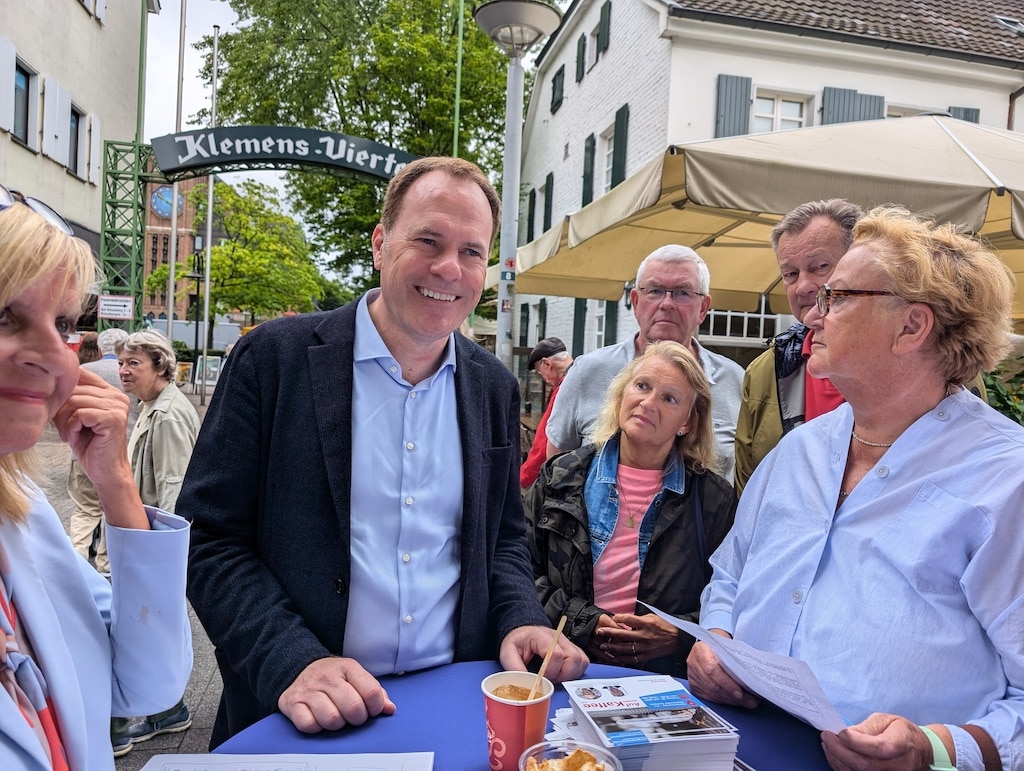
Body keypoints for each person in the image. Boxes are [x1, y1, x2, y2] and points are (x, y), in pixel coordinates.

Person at [180, 156, 589, 748]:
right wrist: (291, 659)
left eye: (472, 251)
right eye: (428, 240)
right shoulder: (274, 360)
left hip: (455, 706)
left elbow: (501, 539)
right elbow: (209, 537)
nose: (449, 267)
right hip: (306, 717)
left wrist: (519, 616)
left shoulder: (491, 387)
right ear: (379, 244)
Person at [688, 206, 1024, 770]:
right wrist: (715, 640)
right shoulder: (798, 452)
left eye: (837, 297)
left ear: (912, 327)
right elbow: (732, 573)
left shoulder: (1005, 480)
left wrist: (935, 749)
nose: (812, 313)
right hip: (741, 741)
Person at [0, 189, 191, 770]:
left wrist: (116, 483)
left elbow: (149, 681)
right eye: (3, 313)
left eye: (61, 323)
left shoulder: (23, 515)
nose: (53, 356)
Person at [526, 341, 736, 677]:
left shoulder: (713, 499)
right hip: (565, 666)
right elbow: (518, 570)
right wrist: (584, 622)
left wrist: (679, 634)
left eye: (670, 398)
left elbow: (730, 595)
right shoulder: (561, 476)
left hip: (663, 681)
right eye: (642, 386)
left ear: (688, 422)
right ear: (623, 393)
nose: (648, 403)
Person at [545, 245, 743, 480]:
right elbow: (556, 469)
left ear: (703, 308)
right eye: (655, 290)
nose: (667, 303)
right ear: (636, 302)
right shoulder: (587, 371)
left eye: (683, 292)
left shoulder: (736, 381)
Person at [108, 329, 200, 755]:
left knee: (141, 623)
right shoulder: (151, 406)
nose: (123, 371)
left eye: (134, 364)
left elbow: (174, 489)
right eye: (122, 363)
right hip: (144, 540)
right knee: (148, 624)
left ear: (160, 367)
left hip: (152, 544)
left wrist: (164, 559)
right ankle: (165, 709)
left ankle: (132, 717)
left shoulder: (167, 415)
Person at [733, 200, 861, 495]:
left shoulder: (922, 362)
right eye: (790, 274)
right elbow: (747, 488)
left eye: (819, 267)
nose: (802, 286)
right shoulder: (766, 371)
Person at [66, 327, 131, 575]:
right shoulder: (131, 375)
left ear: (101, 350)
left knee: (84, 510)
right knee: (111, 511)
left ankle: (77, 561)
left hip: (81, 453)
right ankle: (106, 566)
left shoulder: (82, 373)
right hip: (120, 454)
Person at [520, 337, 573, 489]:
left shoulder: (564, 388)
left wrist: (523, 477)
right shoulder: (581, 375)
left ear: (547, 363)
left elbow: (546, 440)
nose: (543, 379)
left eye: (540, 372)